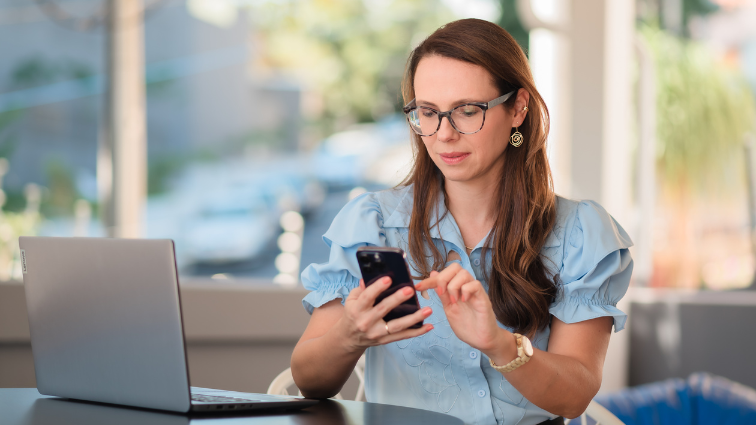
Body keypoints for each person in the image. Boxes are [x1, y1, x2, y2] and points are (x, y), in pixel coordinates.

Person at [291, 18, 633, 425]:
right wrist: (350, 334)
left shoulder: (579, 233)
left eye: (467, 111)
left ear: (518, 108)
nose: (443, 134)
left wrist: (501, 345)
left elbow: (574, 396)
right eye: (428, 113)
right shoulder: (373, 225)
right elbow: (309, 380)